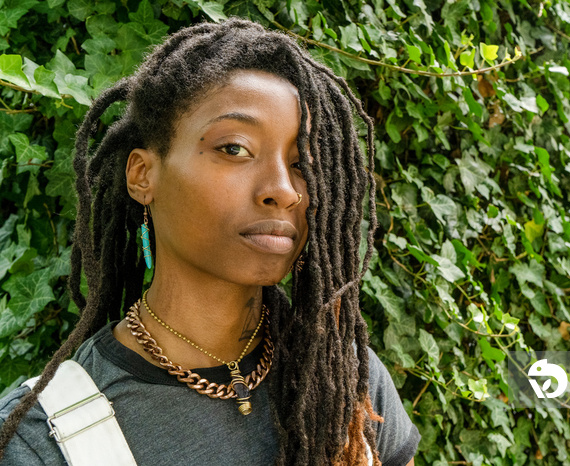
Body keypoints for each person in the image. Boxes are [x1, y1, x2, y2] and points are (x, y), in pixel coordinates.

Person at [0, 16, 420, 466]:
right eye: (234, 148)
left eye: (303, 162)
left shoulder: (345, 376)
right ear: (143, 175)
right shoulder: (40, 438)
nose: (284, 189)